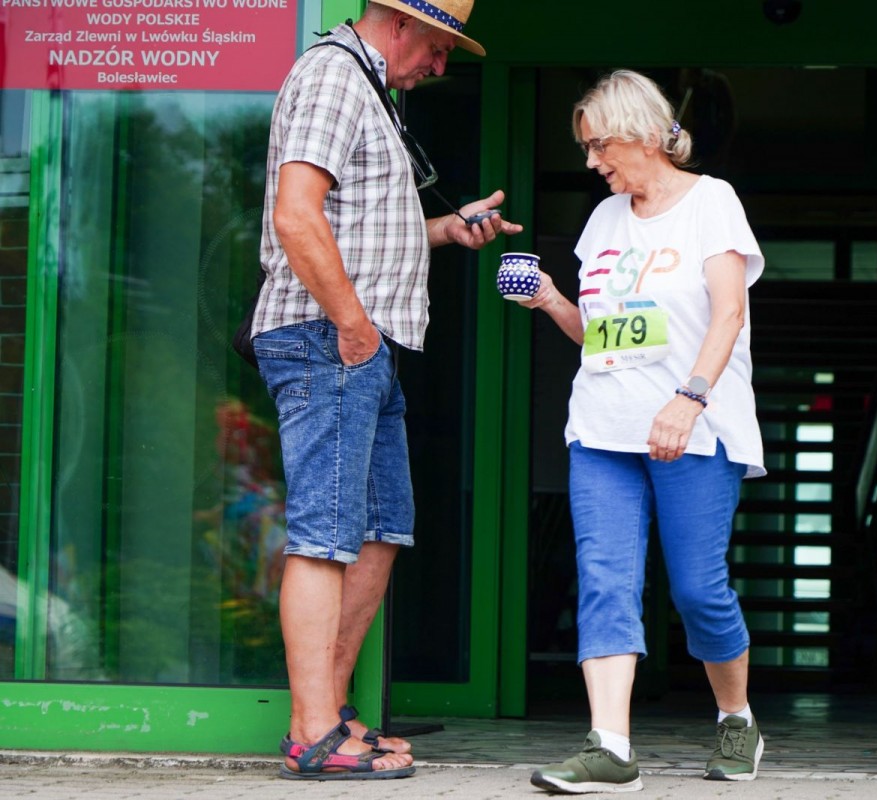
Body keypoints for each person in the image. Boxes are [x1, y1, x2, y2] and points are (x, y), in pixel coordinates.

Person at [248, 0, 521, 780]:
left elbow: (356, 222)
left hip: (360, 342)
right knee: (326, 530)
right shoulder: (335, 77)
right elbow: (297, 217)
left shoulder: (370, 89)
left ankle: (330, 716)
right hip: (331, 337)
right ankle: (312, 733)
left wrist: (446, 228)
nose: (440, 66)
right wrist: (354, 328)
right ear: (400, 25)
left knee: (379, 527)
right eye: (438, 47)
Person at [518, 70, 766, 793]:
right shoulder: (602, 222)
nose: (592, 162)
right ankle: (610, 746)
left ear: (644, 134)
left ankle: (737, 719)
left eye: (599, 146)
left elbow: (727, 314)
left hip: (692, 425)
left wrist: (689, 399)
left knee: (697, 589)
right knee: (604, 582)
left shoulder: (710, 203)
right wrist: (553, 300)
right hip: (602, 426)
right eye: (588, 149)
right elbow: (601, 338)